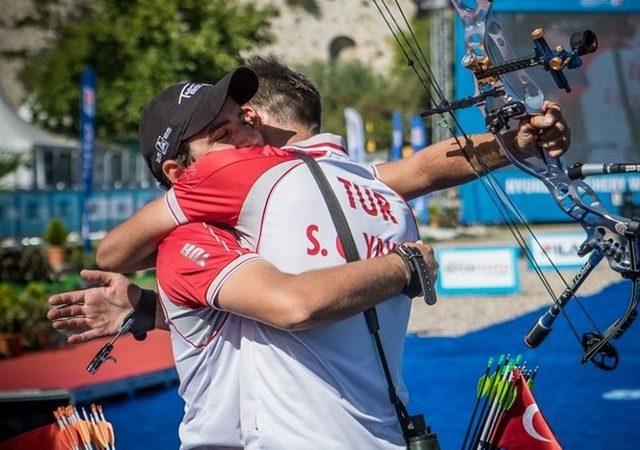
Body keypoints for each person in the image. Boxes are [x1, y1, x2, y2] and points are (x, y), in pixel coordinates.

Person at [50, 59, 569, 449]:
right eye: (227, 130)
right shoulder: (221, 198)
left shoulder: (299, 187)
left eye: (245, 119)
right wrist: (403, 265)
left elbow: (419, 171)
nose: (248, 130)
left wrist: (513, 143)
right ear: (182, 172)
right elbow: (285, 304)